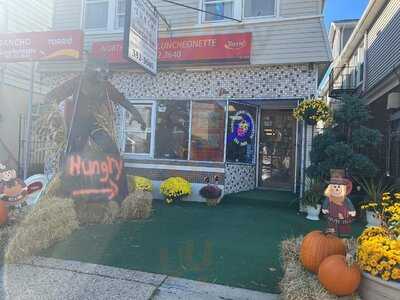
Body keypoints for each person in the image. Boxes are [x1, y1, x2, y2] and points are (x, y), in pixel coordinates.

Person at [322, 169, 356, 237]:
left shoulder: (345, 199)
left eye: (338, 187)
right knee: (331, 223)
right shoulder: (329, 197)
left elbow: (349, 203)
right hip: (332, 213)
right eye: (334, 187)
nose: (337, 189)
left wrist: (352, 210)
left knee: (343, 224)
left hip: (343, 213)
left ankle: (343, 233)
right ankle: (332, 232)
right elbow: (326, 202)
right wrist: (325, 208)